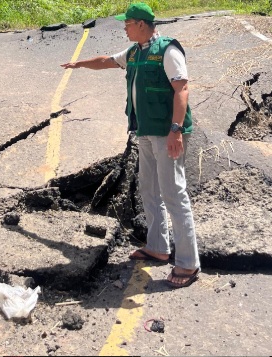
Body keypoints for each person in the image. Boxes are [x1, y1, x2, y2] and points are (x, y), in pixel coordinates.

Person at [60, 1, 201, 288]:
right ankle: (158, 247)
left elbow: (182, 88)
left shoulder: (168, 50)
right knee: (148, 189)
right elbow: (106, 61)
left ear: (140, 24)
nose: (123, 27)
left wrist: (176, 130)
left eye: (127, 23)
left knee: (174, 193)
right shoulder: (135, 52)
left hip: (167, 132)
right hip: (146, 131)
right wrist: (79, 63)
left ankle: (189, 263)